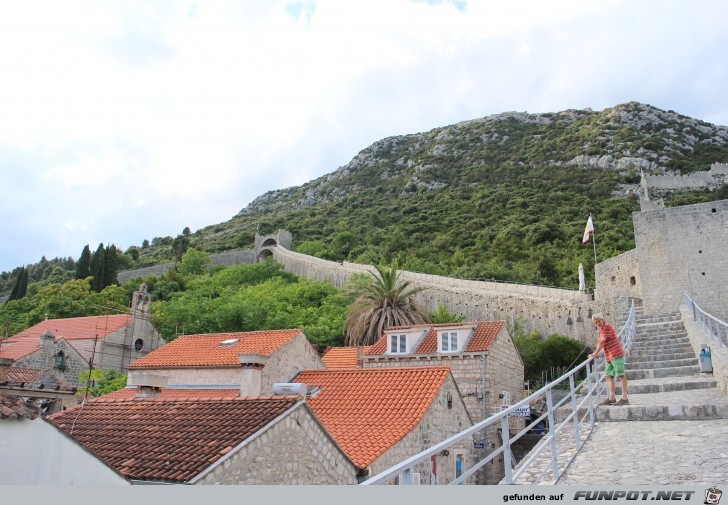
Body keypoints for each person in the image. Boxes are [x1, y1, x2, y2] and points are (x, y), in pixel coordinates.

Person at [588, 314, 629, 406]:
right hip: (609, 356)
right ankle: (612, 398)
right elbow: (600, 342)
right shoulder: (601, 329)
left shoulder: (606, 327)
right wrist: (596, 352)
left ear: (601, 319)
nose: (597, 324)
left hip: (616, 354)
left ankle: (624, 398)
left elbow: (602, 341)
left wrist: (595, 353)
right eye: (595, 323)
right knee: (608, 376)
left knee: (621, 374)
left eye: (598, 321)